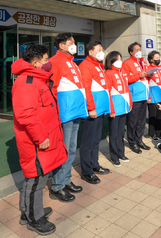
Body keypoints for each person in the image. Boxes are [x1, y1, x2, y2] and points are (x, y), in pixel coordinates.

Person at [12, 44, 68, 235]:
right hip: (36, 142)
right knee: (35, 180)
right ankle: (34, 219)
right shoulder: (26, 82)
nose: (48, 63)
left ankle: (28, 211)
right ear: (35, 63)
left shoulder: (37, 80)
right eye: (45, 59)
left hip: (43, 140)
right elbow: (26, 114)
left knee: (36, 179)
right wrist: (41, 136)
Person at [48, 33, 86, 202]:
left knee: (71, 149)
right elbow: (51, 89)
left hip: (75, 111)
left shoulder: (71, 62)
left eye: (75, 42)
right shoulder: (55, 61)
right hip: (64, 114)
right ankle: (57, 186)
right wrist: (55, 111)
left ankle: (66, 179)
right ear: (61, 45)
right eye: (71, 43)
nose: (74, 45)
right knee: (63, 150)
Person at [78, 41, 111, 184]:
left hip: (100, 109)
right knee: (88, 142)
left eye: (102, 49)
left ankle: (94, 164)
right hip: (93, 111)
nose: (101, 52)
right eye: (98, 49)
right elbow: (86, 89)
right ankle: (87, 171)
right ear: (90, 52)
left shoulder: (99, 66)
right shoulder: (85, 66)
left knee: (96, 140)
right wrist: (91, 108)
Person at [104, 51, 132, 167]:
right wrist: (111, 110)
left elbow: (127, 90)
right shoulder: (108, 73)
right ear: (111, 61)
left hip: (124, 107)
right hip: (115, 109)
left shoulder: (123, 73)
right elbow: (108, 93)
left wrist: (130, 103)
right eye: (117, 59)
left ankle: (121, 153)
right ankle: (114, 156)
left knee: (121, 133)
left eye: (121, 58)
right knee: (114, 134)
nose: (120, 61)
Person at [122, 42, 150, 156]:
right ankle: (132, 142)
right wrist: (139, 75)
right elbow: (126, 79)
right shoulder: (127, 63)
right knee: (132, 121)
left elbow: (146, 78)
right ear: (131, 52)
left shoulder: (143, 62)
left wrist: (149, 75)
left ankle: (139, 140)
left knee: (141, 121)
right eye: (136, 50)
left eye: (140, 49)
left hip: (144, 96)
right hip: (134, 96)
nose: (139, 51)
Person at [146, 51, 161, 146]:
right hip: (152, 96)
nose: (158, 59)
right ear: (151, 59)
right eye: (156, 57)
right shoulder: (148, 69)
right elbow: (146, 84)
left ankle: (159, 133)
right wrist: (148, 96)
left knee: (160, 115)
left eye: (159, 57)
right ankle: (152, 133)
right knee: (153, 115)